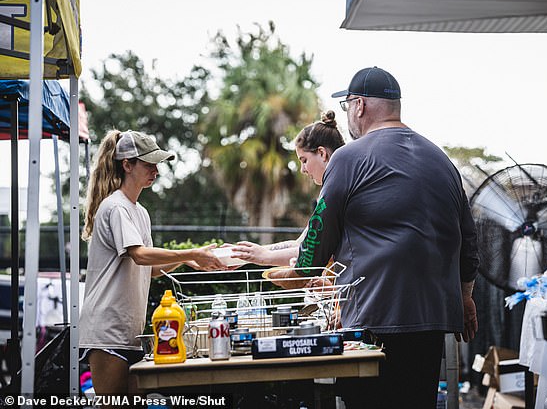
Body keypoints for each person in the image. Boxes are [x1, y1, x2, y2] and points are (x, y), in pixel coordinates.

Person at [272, 67, 480, 408]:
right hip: (432, 320)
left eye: (347, 108)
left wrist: (301, 273)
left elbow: (320, 229)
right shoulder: (441, 159)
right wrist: (465, 296)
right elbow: (468, 240)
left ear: (359, 106)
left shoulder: (348, 158)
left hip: (374, 318)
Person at [78, 129, 228, 402]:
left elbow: (149, 267)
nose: (156, 170)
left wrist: (187, 259)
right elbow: (140, 255)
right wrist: (190, 252)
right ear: (127, 165)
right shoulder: (115, 207)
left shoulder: (139, 211)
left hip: (132, 333)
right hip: (106, 332)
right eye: (149, 164)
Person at [230, 110, 345, 269]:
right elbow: (301, 244)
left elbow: (311, 251)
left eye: (304, 160)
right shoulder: (338, 184)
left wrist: (264, 256)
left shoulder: (337, 190)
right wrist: (248, 254)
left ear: (321, 153)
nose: (302, 170)